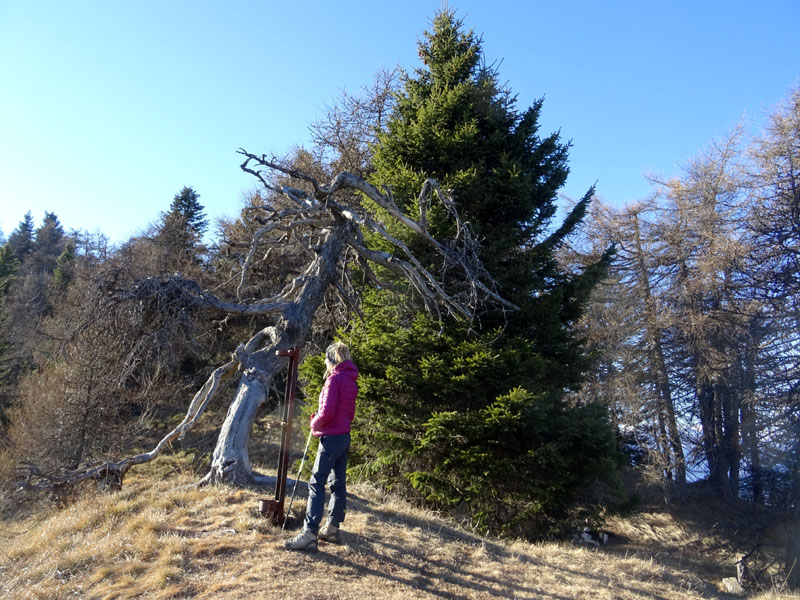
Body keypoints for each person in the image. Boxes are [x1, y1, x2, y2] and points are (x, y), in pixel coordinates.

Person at [284, 342, 359, 551]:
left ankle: (309, 533)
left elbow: (326, 412)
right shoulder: (351, 380)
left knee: (316, 482)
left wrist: (314, 423)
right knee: (338, 482)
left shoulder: (334, 379)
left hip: (332, 436)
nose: (325, 362)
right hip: (344, 435)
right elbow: (349, 414)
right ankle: (333, 527)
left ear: (332, 359)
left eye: (326, 358)